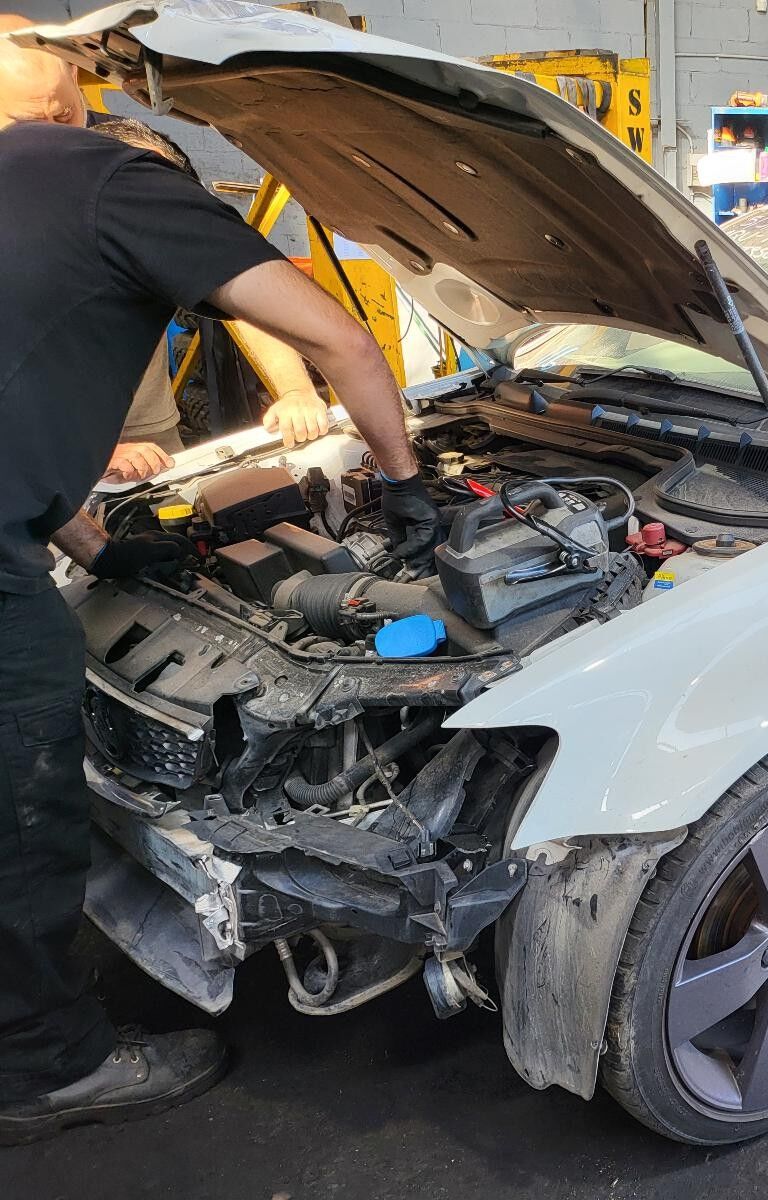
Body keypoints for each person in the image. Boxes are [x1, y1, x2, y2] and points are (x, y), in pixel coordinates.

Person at [0, 107, 443, 1143]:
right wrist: (406, 485)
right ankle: (46, 1066)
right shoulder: (131, 186)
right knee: (21, 806)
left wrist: (100, 552)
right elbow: (342, 338)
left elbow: (15, 423)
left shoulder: (25, 174)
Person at [0, 16, 330, 479]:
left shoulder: (135, 157)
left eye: (64, 115)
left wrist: (294, 389)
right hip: (28, 454)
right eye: (32, 124)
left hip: (148, 436)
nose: (57, 138)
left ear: (73, 73)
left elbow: (227, 273)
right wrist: (83, 448)